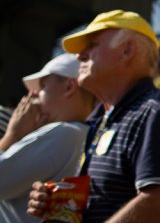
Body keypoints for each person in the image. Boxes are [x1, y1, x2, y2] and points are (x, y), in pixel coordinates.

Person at [27, 10, 160, 223]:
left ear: (127, 50)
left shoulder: (156, 111)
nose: (79, 56)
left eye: (91, 46)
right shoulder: (100, 119)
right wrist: (59, 202)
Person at [1, 54, 94, 223]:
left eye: (43, 86)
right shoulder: (86, 134)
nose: (34, 95)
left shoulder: (64, 132)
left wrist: (12, 136)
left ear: (69, 87)